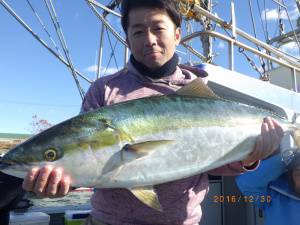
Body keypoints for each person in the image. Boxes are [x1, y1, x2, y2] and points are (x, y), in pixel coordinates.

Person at [22, 1, 284, 224]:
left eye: (158, 28)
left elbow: (217, 163)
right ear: (128, 38)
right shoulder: (104, 90)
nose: (149, 39)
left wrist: (250, 159)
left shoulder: (199, 90)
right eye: (137, 32)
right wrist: (64, 182)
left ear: (177, 34)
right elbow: (88, 162)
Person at [236, 149, 300, 225]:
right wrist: (286, 158)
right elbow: (245, 183)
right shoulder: (275, 195)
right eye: (298, 171)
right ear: (291, 175)